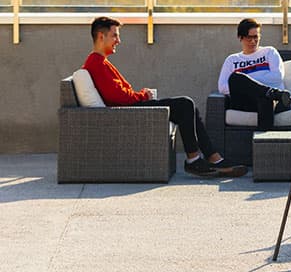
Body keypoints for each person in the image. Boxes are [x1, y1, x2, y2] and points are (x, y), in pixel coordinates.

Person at [83, 17, 246, 178]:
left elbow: (118, 92)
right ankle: (194, 160)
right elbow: (117, 96)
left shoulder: (100, 61)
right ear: (101, 36)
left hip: (129, 108)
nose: (118, 40)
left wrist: (140, 95)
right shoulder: (97, 63)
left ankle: (213, 158)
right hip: (127, 112)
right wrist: (142, 95)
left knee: (190, 109)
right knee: (185, 104)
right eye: (115, 35)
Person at [217, 18, 291, 130]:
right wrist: (246, 83)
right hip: (245, 102)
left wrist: (249, 85)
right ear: (240, 37)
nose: (253, 41)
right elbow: (223, 87)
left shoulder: (269, 52)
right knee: (236, 78)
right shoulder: (232, 60)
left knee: (264, 98)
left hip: (273, 102)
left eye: (256, 37)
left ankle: (263, 146)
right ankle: (273, 93)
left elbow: (277, 77)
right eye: (249, 37)